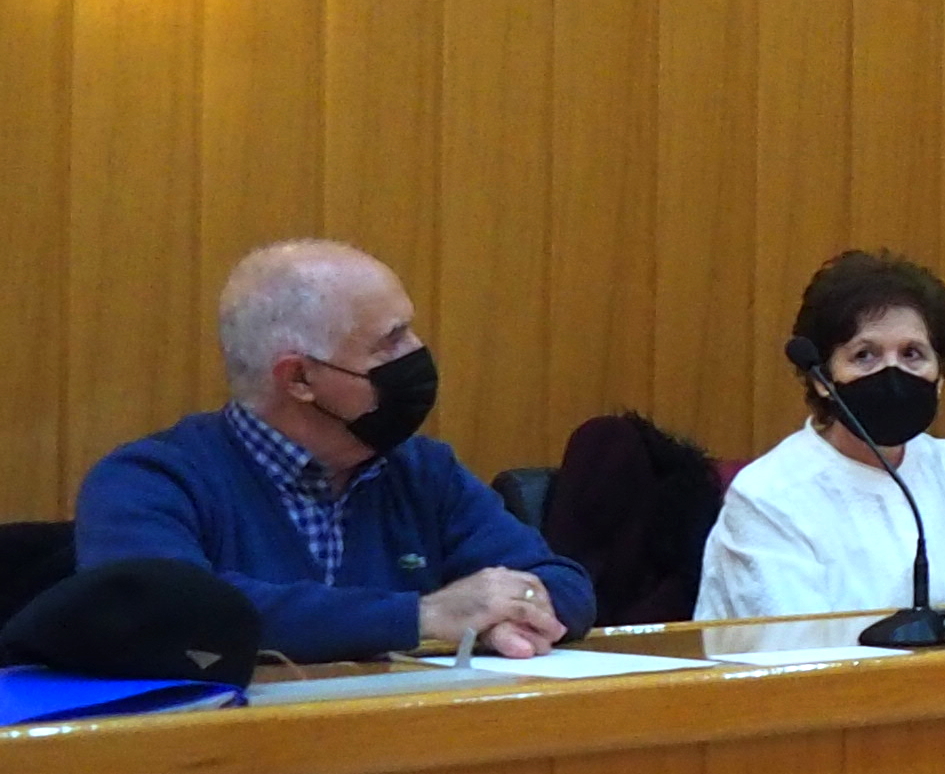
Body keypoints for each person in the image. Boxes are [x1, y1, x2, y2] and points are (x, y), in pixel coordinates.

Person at [78, 239, 596, 661]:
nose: (417, 354)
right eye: (389, 342)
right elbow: (170, 615)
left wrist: (508, 615)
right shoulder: (148, 480)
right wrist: (420, 618)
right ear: (300, 378)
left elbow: (564, 584)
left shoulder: (422, 470)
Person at [696, 249, 945, 624]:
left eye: (912, 354)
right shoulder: (768, 495)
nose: (892, 372)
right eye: (865, 355)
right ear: (822, 379)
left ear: (941, 376)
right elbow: (797, 656)